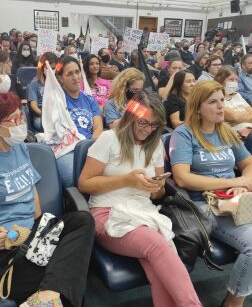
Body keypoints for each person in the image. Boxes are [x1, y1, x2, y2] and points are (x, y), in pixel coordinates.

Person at [0, 92, 95, 307]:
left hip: (27, 236)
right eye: (14, 119)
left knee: (82, 220)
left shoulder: (19, 148)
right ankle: (52, 294)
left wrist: (40, 225)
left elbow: (30, 187)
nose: (22, 122)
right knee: (66, 276)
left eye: (21, 116)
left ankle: (46, 296)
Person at [79, 91, 202, 307]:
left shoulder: (154, 144)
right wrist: (127, 180)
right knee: (158, 246)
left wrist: (157, 187)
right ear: (130, 117)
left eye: (154, 125)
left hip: (143, 212)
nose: (147, 129)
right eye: (143, 122)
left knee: (157, 269)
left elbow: (157, 195)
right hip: (107, 214)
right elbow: (85, 183)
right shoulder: (109, 139)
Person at [169, 80, 252, 307]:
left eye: (222, 100)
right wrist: (232, 182)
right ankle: (233, 302)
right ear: (197, 108)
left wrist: (246, 182)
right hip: (206, 206)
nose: (221, 106)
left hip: (237, 199)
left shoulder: (225, 132)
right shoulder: (184, 134)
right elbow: (183, 178)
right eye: (213, 102)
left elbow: (251, 165)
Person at [54, 57, 103, 187]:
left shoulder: (89, 99)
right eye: (69, 74)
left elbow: (98, 127)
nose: (75, 77)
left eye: (77, 72)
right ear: (60, 78)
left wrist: (90, 146)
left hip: (90, 144)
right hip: (68, 149)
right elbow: (59, 132)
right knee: (73, 177)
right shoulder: (56, 101)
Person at [214, 66, 252, 134]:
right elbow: (234, 117)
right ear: (221, 80)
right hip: (232, 135)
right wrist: (246, 114)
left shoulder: (237, 95)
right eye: (231, 79)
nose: (234, 82)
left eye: (236, 80)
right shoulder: (216, 97)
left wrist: (238, 118)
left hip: (251, 131)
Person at [27, 52, 58, 132]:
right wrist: (46, 115)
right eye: (49, 68)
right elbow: (34, 106)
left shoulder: (58, 82)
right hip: (41, 114)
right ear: (42, 68)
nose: (51, 71)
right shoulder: (34, 83)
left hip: (56, 112)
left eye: (53, 68)